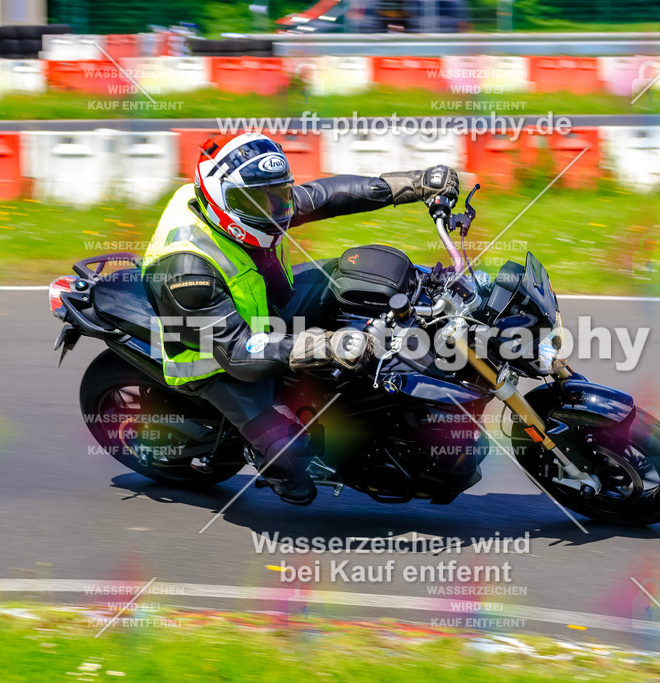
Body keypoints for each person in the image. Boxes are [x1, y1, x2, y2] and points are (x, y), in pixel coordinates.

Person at [141, 132, 459, 505]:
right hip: (214, 357)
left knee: (360, 280)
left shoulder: (256, 204)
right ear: (218, 201)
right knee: (292, 460)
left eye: (279, 194)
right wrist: (325, 343)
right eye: (260, 200)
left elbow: (331, 195)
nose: (275, 209)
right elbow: (239, 353)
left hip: (265, 311)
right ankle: (269, 463)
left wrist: (412, 183)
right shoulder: (186, 271)